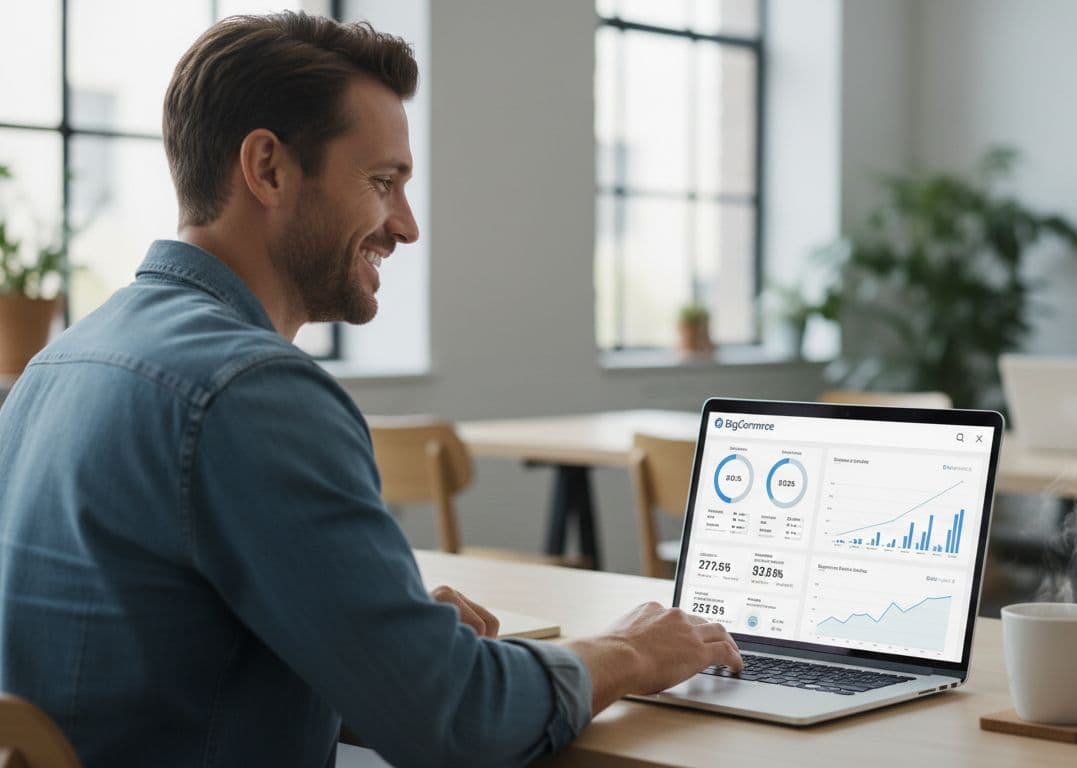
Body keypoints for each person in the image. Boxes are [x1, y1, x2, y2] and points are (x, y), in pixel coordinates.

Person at [0, 12, 740, 767]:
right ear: (269, 169)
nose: (408, 226)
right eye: (382, 182)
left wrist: (380, 634)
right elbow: (458, 722)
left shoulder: (57, 366)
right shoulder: (252, 391)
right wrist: (627, 652)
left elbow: (151, 640)